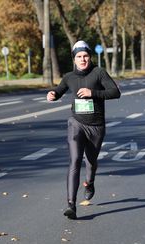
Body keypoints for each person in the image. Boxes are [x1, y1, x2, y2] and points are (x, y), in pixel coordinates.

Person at [47, 40, 121, 219]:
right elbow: (59, 90)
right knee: (75, 161)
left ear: (90, 57)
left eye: (85, 56)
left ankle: (90, 182)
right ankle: (71, 205)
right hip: (77, 123)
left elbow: (115, 92)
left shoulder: (99, 73)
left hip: (96, 127)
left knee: (91, 161)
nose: (83, 59)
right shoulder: (69, 77)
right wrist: (53, 95)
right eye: (79, 56)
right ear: (74, 59)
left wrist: (92, 93)